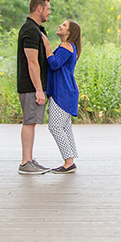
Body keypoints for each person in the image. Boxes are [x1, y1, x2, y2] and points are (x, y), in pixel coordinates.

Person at [16, 0, 52, 175]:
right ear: (39, 8)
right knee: (29, 122)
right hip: (30, 86)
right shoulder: (29, 30)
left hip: (35, 86)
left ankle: (30, 159)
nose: (49, 12)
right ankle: (25, 162)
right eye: (47, 9)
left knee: (32, 122)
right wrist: (38, 89)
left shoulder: (37, 30)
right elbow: (32, 62)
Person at [42, 19, 82, 174]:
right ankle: (70, 159)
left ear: (70, 33)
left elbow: (54, 63)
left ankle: (69, 162)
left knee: (55, 126)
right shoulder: (70, 47)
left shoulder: (66, 46)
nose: (60, 26)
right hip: (67, 91)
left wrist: (47, 47)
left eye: (64, 25)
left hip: (63, 93)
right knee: (65, 128)